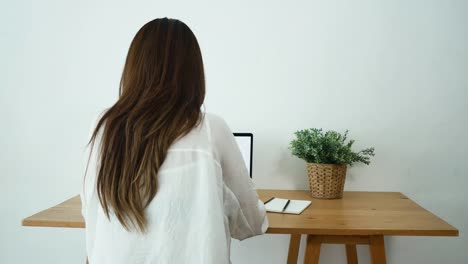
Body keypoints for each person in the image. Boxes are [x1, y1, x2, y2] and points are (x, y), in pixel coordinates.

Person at [80, 18, 268, 264]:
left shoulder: (103, 127)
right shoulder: (210, 129)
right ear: (193, 72)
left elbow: (91, 213)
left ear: (134, 69)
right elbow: (250, 223)